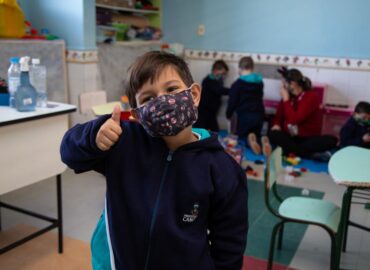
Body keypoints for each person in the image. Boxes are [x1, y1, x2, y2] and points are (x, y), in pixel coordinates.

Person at [60, 51, 248, 270]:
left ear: (194, 95)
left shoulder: (222, 170)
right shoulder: (124, 140)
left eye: (171, 89)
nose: (162, 100)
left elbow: (230, 245)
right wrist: (94, 136)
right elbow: (69, 154)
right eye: (148, 98)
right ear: (138, 114)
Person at [268, 68, 337, 161]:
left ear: (292, 84)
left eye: (284, 84)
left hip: (307, 138)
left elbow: (294, 120)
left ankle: (292, 151)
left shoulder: (310, 97)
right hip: (291, 137)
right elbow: (278, 116)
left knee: (332, 140)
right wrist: (276, 124)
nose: (282, 87)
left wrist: (286, 100)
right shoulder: (288, 97)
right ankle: (308, 154)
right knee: (273, 134)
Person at [226, 56, 267, 153]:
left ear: (239, 68)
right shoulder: (260, 82)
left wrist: (228, 114)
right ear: (252, 68)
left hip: (245, 116)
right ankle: (263, 142)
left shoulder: (238, 84)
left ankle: (250, 141)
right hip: (259, 114)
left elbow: (232, 102)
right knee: (256, 135)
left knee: (244, 138)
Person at [194, 60, 229, 131]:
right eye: (222, 74)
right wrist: (235, 89)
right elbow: (220, 90)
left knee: (214, 131)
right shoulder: (208, 81)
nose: (223, 76)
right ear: (215, 71)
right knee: (201, 131)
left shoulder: (217, 81)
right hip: (204, 112)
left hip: (211, 113)